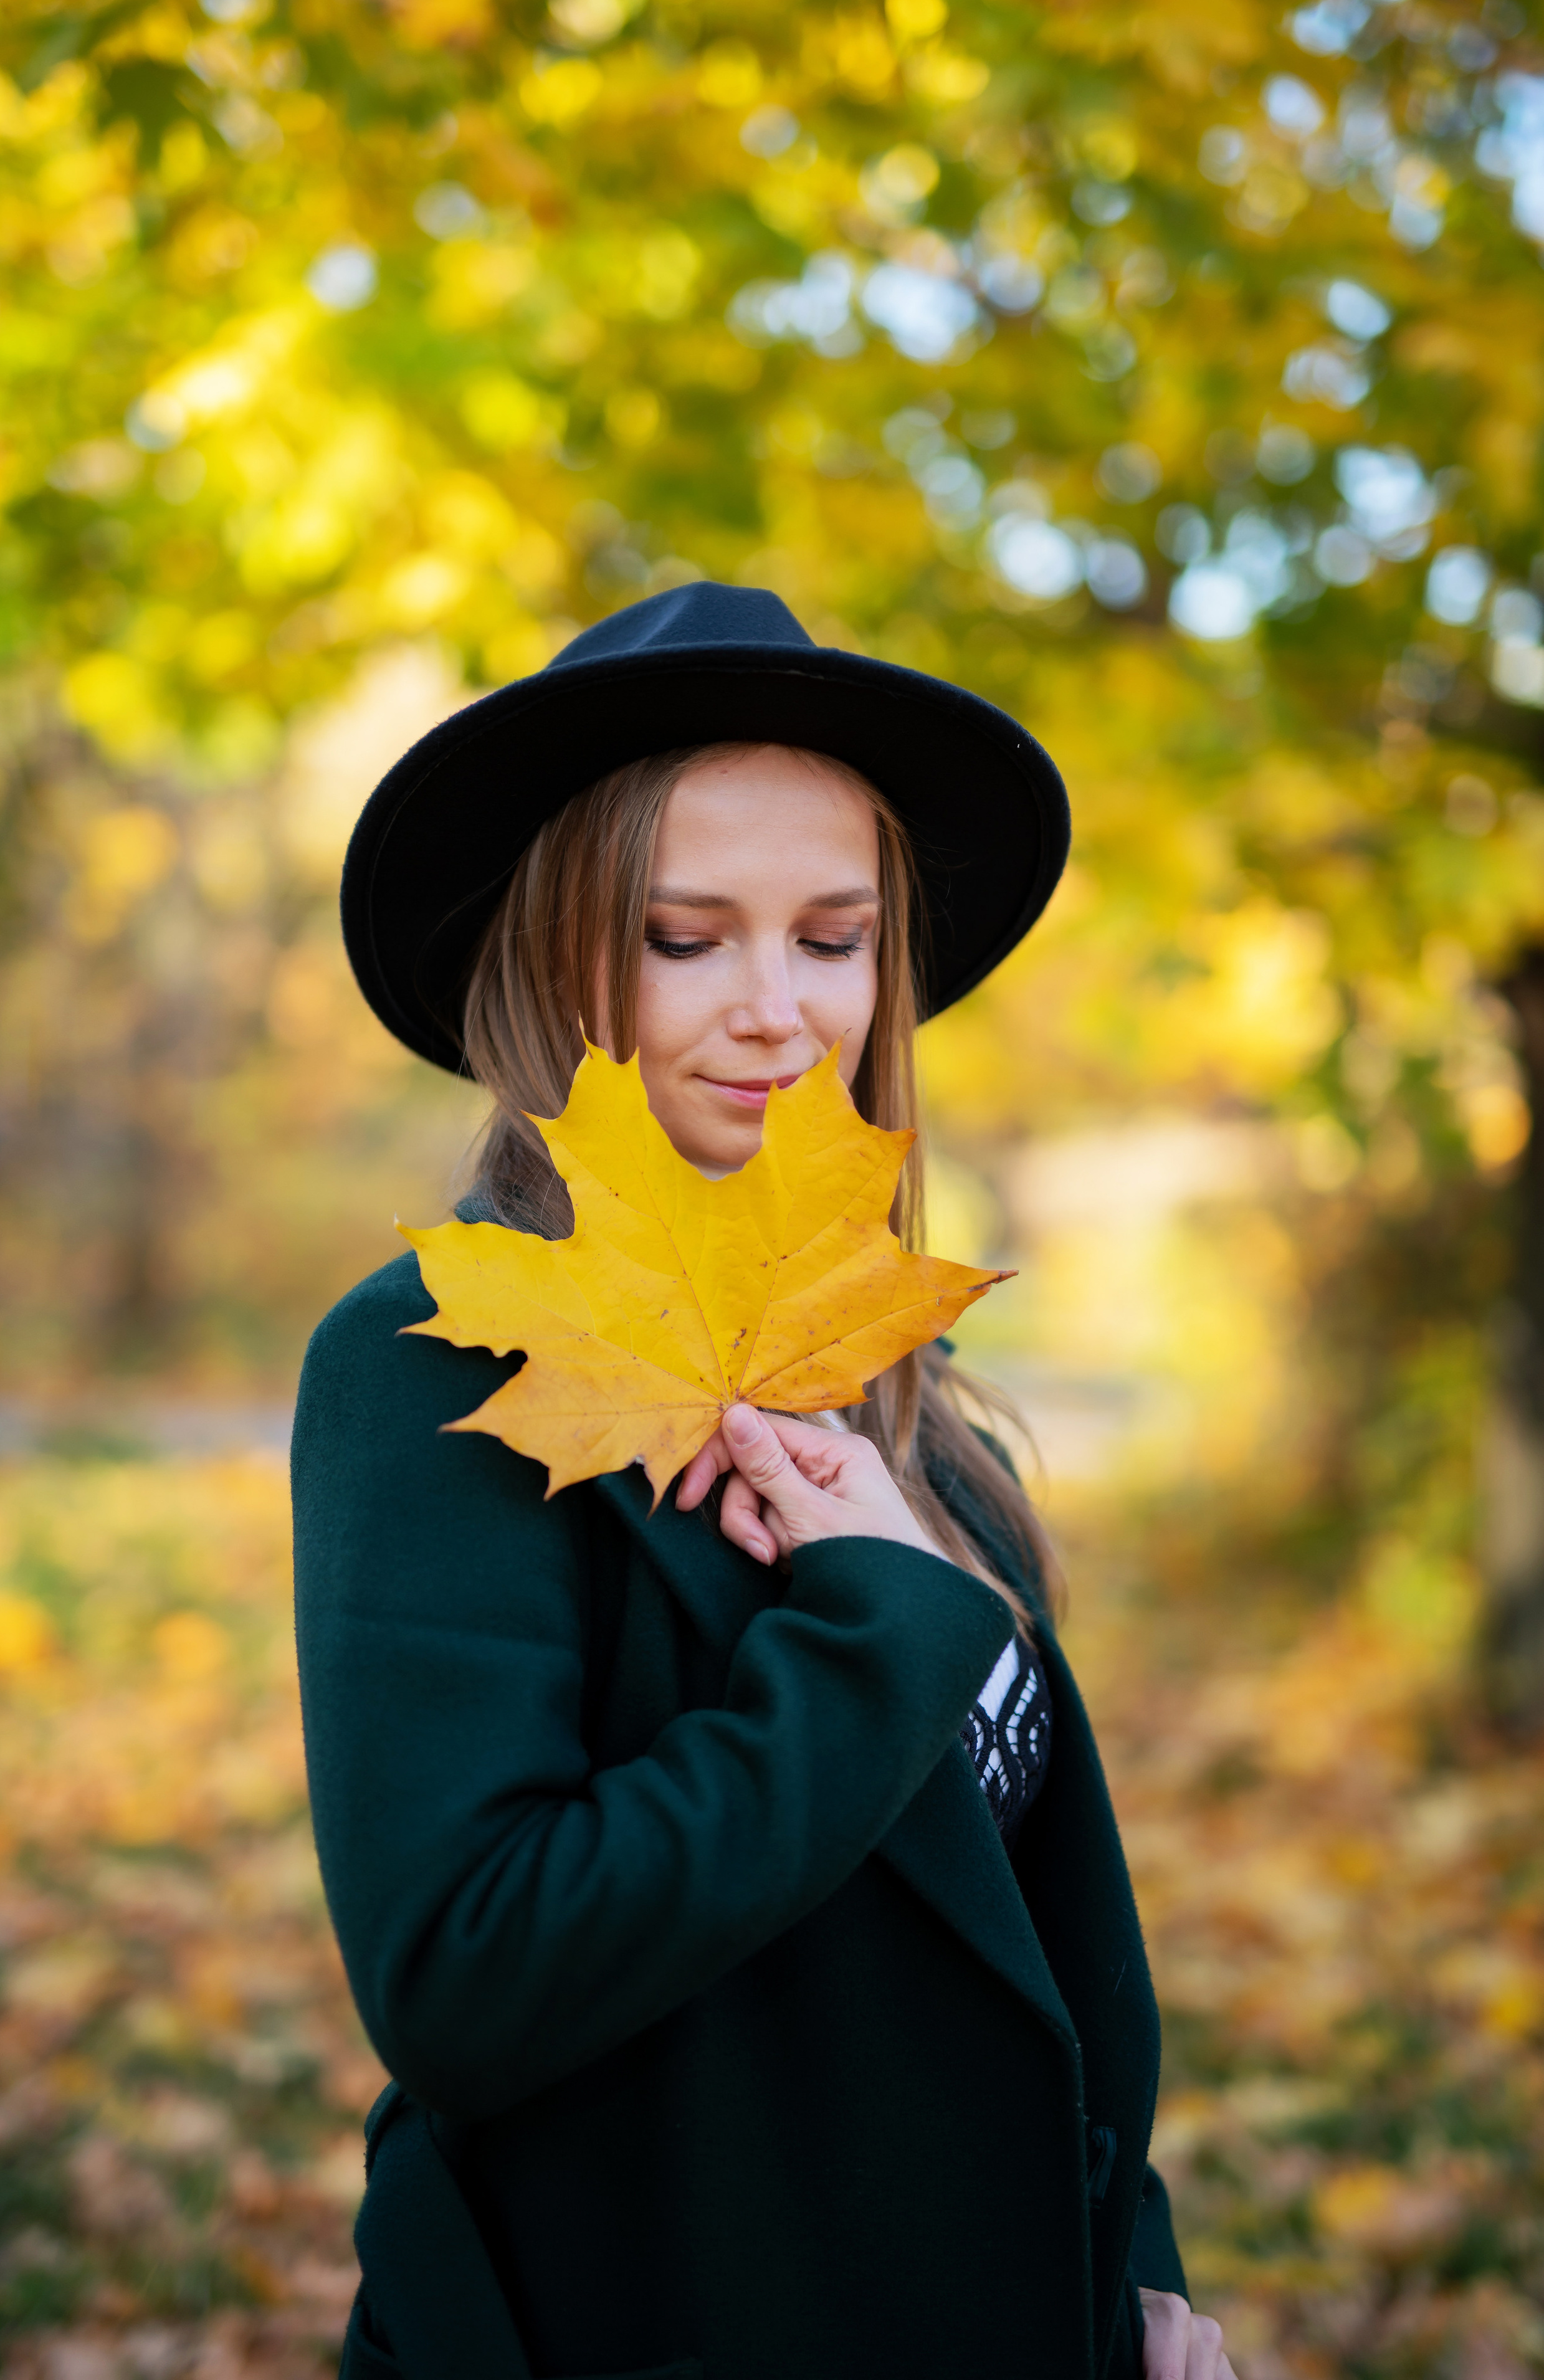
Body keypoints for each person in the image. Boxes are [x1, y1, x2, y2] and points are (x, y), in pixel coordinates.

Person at [293, 582, 1237, 2380]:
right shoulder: (431, 1353)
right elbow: (465, 1977)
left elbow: (1018, 1916)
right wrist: (880, 1633)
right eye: (681, 934)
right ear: (555, 952)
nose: (773, 1012)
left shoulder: (913, 1391)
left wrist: (1134, 2255)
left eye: (832, 937)